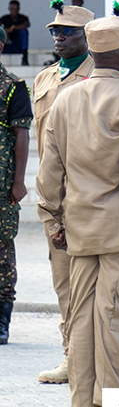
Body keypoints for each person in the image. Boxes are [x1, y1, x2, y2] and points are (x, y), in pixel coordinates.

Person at [36, 3, 119, 407]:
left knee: (83, 322)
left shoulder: (66, 97)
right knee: (113, 322)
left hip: (76, 230)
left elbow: (49, 170)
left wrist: (51, 218)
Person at [33, 0, 96, 383]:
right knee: (64, 281)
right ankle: (71, 354)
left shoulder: (98, 76)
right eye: (55, 31)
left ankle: (90, 358)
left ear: (87, 36)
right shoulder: (44, 78)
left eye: (67, 31)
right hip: (53, 194)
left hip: (88, 192)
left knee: (91, 282)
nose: (59, 37)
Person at [0, 31, 32, 345]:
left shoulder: (14, 87)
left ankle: (2, 320)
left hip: (1, 182)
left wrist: (19, 180)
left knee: (2, 251)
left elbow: (21, 134)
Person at [1, 0, 31, 66]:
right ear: (9, 8)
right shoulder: (4, 19)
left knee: (24, 32)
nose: (14, 11)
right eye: (12, 8)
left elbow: (26, 25)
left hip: (18, 45)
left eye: (15, 9)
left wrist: (13, 28)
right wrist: (6, 31)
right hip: (6, 45)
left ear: (18, 9)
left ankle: (25, 58)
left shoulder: (23, 18)